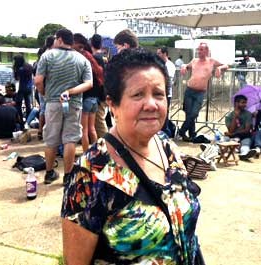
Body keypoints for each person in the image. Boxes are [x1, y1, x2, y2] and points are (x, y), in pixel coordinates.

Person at [61, 48, 201, 264]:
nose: (151, 104)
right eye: (138, 95)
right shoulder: (90, 174)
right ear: (112, 104)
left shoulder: (166, 146)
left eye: (158, 94)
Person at [35, 28, 93, 185]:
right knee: (70, 140)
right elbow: (89, 83)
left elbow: (38, 81)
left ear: (59, 39)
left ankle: (49, 173)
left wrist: (45, 95)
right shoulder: (82, 60)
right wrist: (70, 91)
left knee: (51, 139)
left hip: (53, 103)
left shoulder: (47, 56)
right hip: (73, 104)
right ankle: (68, 176)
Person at [179, 42, 229, 141]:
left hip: (200, 92)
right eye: (198, 49)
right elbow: (186, 66)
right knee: (189, 114)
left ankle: (182, 131)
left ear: (206, 51)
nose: (199, 51)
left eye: (201, 49)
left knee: (194, 113)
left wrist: (219, 68)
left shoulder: (211, 61)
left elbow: (226, 65)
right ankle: (191, 134)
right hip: (189, 90)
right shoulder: (194, 60)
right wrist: (183, 66)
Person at [73, 33, 104, 152]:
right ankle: (96, 152)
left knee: (84, 131)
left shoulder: (83, 64)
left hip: (85, 99)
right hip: (95, 100)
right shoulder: (95, 65)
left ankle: (86, 154)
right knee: (92, 129)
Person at [225, 94, 257, 160]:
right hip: (232, 137)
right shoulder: (229, 116)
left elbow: (247, 130)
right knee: (224, 140)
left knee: (246, 143)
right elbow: (230, 130)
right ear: (236, 103)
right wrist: (235, 117)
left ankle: (244, 154)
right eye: (243, 102)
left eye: (245, 103)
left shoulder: (248, 114)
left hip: (244, 136)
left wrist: (233, 134)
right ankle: (215, 150)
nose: (245, 105)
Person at [90, 33, 108, 138]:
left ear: (91, 43)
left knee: (99, 122)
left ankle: (107, 145)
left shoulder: (94, 58)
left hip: (98, 94)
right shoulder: (104, 57)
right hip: (104, 92)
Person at [157, 46, 176, 137]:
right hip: (159, 93)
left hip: (166, 94)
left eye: (159, 53)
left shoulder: (170, 65)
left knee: (164, 114)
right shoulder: (158, 64)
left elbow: (168, 80)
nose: (157, 55)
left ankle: (166, 132)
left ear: (164, 54)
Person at [12, 54, 34, 122]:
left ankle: (20, 120)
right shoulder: (29, 66)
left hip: (22, 88)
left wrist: (14, 69)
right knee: (28, 104)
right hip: (29, 87)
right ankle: (28, 120)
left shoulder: (20, 68)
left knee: (18, 104)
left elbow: (16, 78)